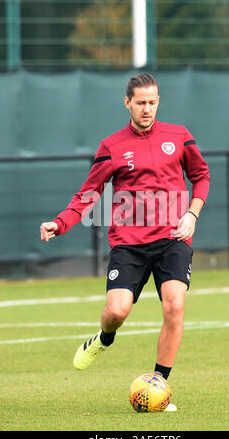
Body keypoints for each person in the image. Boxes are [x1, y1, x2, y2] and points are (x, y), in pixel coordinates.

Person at [40, 73, 210, 412]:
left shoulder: (179, 136)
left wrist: (191, 213)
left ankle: (159, 383)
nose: (147, 109)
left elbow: (201, 176)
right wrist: (60, 223)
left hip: (172, 238)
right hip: (129, 244)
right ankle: (103, 338)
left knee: (174, 305)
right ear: (127, 103)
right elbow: (89, 193)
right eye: (141, 103)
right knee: (116, 312)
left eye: (153, 102)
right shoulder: (112, 145)